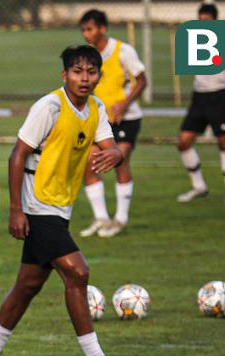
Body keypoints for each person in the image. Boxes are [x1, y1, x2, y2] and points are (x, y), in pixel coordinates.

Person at [0, 46, 128, 356]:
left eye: (90, 72)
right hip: (37, 205)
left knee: (27, 285)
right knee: (78, 273)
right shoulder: (50, 106)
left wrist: (115, 153)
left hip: (61, 206)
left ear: (99, 77)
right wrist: (16, 210)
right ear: (65, 75)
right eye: (77, 71)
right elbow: (17, 155)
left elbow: (110, 145)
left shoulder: (96, 108)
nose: (84, 78)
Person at [78, 8, 147, 237]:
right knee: (89, 162)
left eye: (90, 29)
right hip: (100, 122)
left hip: (127, 119)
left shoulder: (122, 51)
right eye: (83, 30)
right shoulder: (87, 56)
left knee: (120, 159)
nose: (86, 34)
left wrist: (124, 104)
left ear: (102, 28)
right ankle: (101, 218)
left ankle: (121, 219)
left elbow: (142, 80)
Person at [177, 2, 225, 207]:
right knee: (184, 141)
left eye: (207, 21)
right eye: (200, 20)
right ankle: (199, 187)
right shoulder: (196, 42)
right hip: (200, 97)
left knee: (224, 142)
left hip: (220, 96)